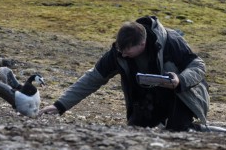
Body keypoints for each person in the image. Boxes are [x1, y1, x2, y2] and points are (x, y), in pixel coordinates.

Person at [39, 15, 210, 132]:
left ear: (142, 44)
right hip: (148, 99)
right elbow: (93, 78)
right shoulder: (118, 52)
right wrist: (59, 106)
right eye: (121, 50)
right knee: (137, 132)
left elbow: (198, 66)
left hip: (183, 96)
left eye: (127, 51)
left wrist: (179, 80)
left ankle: (204, 130)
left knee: (178, 132)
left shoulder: (171, 41)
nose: (123, 55)